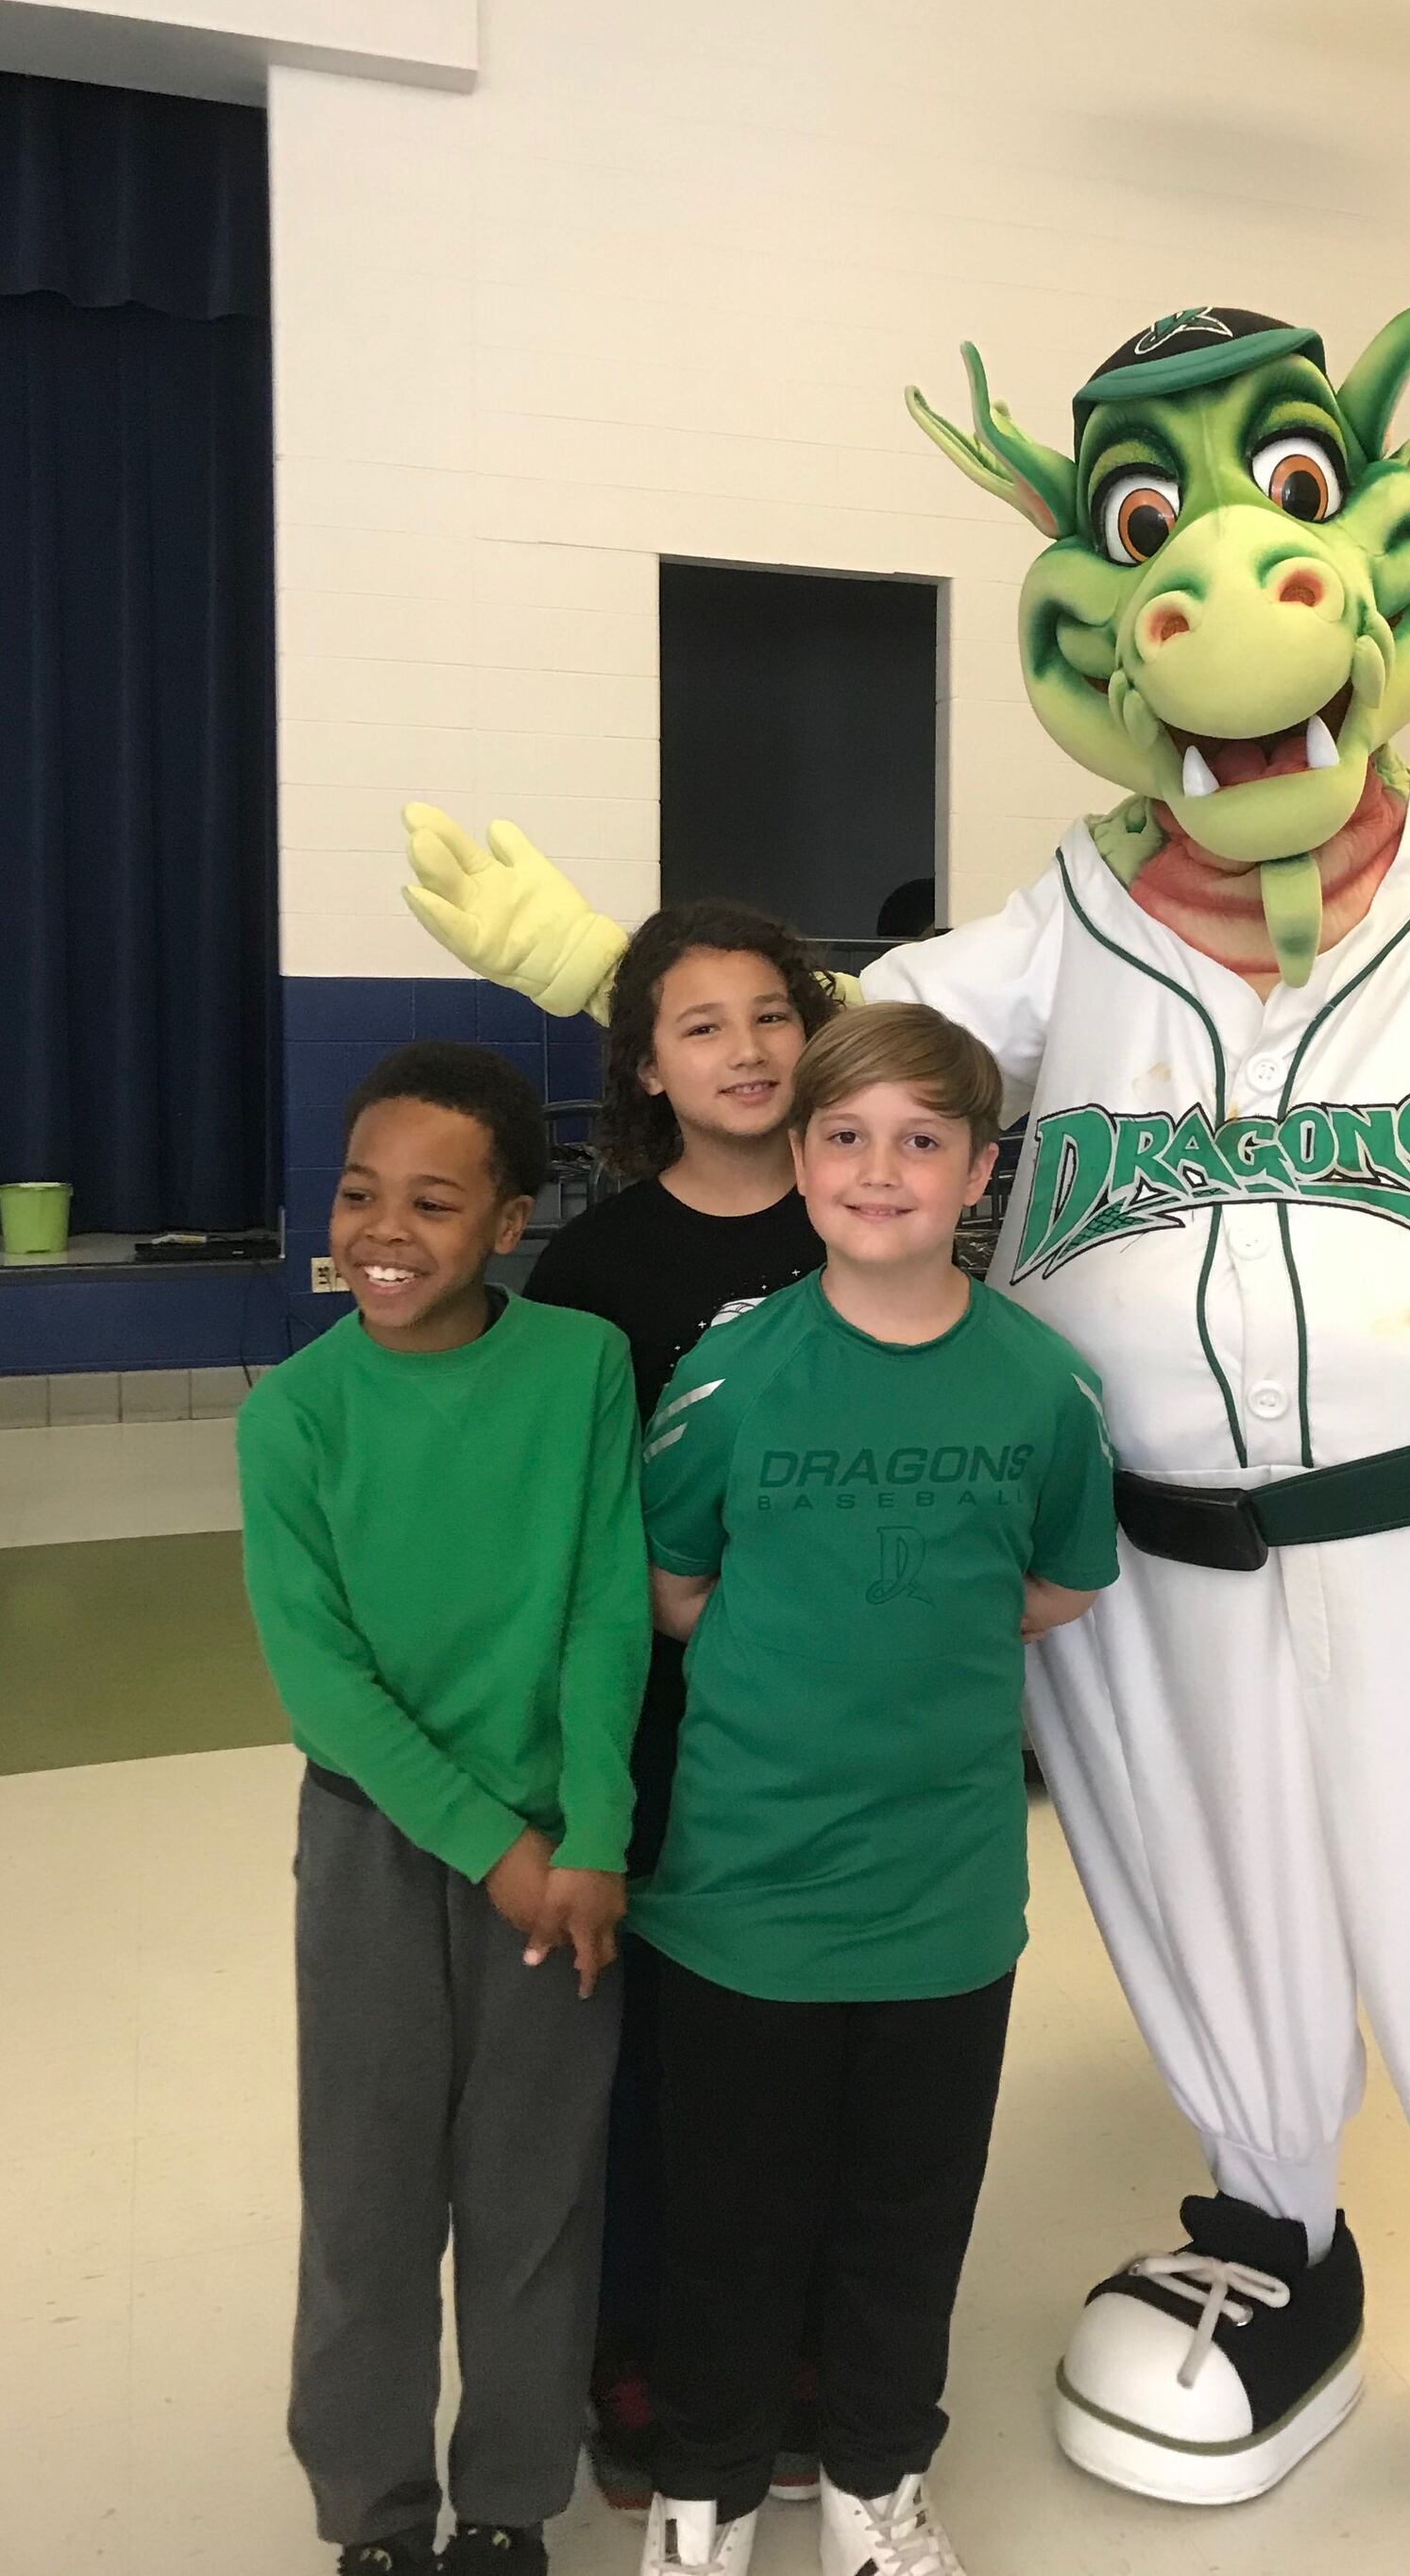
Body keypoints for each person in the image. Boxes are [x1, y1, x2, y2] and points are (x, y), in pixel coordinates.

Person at [633, 1002, 1121, 2576]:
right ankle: (704, 2494)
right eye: (844, 1134)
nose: (881, 1167)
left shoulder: (1044, 1386)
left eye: (923, 1138)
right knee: (730, 2225)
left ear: (981, 1167)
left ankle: (874, 2488)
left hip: (947, 1904)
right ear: (798, 1159)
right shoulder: (732, 1370)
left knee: (904, 2226)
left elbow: (1055, 1585)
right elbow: (678, 1583)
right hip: (744, 1902)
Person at [236, 1039, 650, 2576]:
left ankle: (508, 2503)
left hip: (564, 1860)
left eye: (433, 1198)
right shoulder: (293, 1414)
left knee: (536, 2194)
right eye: (358, 1194)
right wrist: (498, 1848)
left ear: (510, 1220)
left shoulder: (580, 1367)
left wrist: (589, 1838)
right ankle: (375, 2518)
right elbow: (322, 1683)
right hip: (378, 1847)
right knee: (366, 2197)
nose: (384, 1230)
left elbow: (611, 1607)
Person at [525, 901, 836, 2509]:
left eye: (770, 1014)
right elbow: (573, 1524)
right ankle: (637, 2343)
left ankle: (785, 2339)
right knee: (656, 2051)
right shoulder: (599, 1267)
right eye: (701, 1024)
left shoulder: (867, 1207)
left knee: (799, 2041)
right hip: (667, 1724)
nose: (745, 1049)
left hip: (841, 1725)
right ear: (644, 1064)